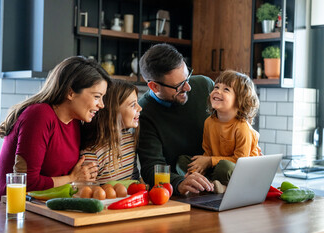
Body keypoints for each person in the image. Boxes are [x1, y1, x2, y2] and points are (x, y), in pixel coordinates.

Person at [0, 56, 111, 203]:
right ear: (70, 93)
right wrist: (72, 178)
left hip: (40, 211)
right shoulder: (39, 115)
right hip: (7, 211)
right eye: (97, 96)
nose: (101, 105)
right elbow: (26, 183)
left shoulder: (75, 123)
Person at [138, 43, 215, 195]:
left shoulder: (205, 85)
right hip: (186, 193)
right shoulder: (144, 112)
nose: (188, 87)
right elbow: (151, 167)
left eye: (188, 77)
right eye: (179, 85)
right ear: (154, 87)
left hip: (220, 179)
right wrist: (178, 182)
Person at [178, 70, 261, 187]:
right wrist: (198, 167)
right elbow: (208, 151)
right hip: (216, 166)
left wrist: (209, 161)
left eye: (226, 89)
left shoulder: (242, 128)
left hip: (242, 172)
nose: (217, 91)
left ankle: (219, 186)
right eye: (216, 87)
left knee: (224, 166)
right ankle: (208, 183)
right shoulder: (209, 122)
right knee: (183, 161)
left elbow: (240, 161)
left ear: (240, 100)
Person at [81, 79, 142, 184]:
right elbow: (87, 192)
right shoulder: (92, 153)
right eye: (133, 105)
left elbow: (135, 180)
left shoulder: (130, 140)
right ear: (113, 111)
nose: (140, 108)